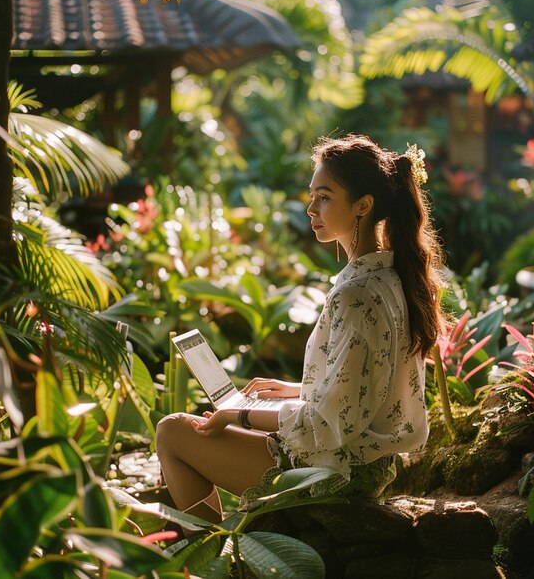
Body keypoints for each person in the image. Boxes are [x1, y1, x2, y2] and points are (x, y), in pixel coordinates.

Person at [155, 134, 447, 523]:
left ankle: (212, 558)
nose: (311, 208)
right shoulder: (390, 278)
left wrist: (238, 415)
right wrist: (292, 390)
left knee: (173, 432)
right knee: (200, 424)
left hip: (336, 471)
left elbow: (328, 423)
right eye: (312, 195)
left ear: (363, 205)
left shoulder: (357, 295)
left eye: (324, 197)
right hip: (362, 460)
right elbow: (366, 387)